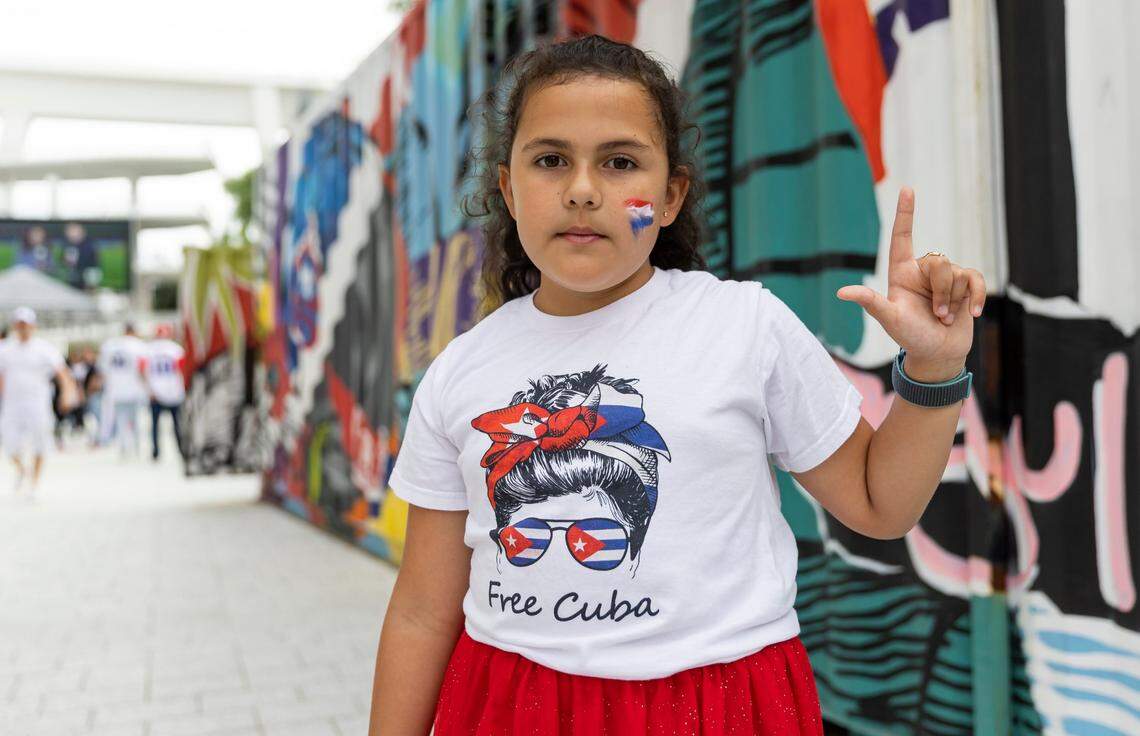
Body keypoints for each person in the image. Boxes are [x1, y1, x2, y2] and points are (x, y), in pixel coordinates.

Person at [369, 36, 987, 736]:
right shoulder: (461, 369)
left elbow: (880, 503)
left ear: (668, 198)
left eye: (619, 161)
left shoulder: (743, 326)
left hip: (726, 708)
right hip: (508, 707)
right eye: (550, 160)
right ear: (509, 190)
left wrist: (934, 370)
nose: (581, 188)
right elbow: (423, 609)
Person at [0, 307, 77, 494]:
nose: (23, 328)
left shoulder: (44, 348)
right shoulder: (5, 349)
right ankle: (22, 470)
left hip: (37, 403)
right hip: (12, 403)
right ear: (14, 326)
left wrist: (68, 393)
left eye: (26, 325)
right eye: (19, 325)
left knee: (40, 442)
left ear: (33, 326)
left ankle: (34, 483)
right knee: (10, 445)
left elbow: (63, 373)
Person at [97, 323, 149, 458]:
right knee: (135, 420)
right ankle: (136, 447)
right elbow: (143, 369)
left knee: (121, 420)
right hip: (135, 389)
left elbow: (103, 370)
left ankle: (123, 447)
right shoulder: (139, 345)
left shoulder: (110, 346)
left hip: (115, 389)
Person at [144, 324, 186, 461]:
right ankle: (181, 450)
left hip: (155, 392)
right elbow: (183, 370)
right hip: (174, 391)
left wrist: (148, 389)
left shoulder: (148, 350)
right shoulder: (176, 350)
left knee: (155, 425)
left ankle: (156, 451)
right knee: (177, 424)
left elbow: (143, 371)